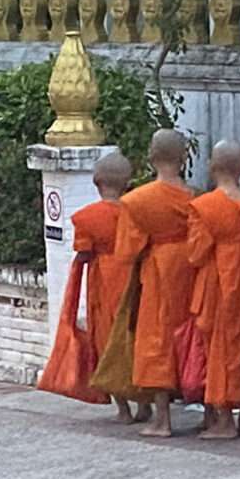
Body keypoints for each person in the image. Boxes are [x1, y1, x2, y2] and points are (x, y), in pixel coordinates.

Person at [114, 129, 198, 438]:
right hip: (190, 267)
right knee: (193, 333)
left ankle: (162, 419)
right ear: (183, 158)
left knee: (157, 337)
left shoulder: (137, 201)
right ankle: (213, 414)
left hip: (158, 269)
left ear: (151, 157)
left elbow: (126, 251)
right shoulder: (195, 197)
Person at [71, 152, 151, 423]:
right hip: (134, 275)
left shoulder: (86, 217)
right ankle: (144, 403)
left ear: (95, 182)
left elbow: (83, 251)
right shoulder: (137, 210)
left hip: (104, 277)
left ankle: (124, 410)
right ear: (128, 182)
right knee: (135, 336)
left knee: (107, 339)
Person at [188, 140, 240, 439]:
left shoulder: (205, 208)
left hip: (217, 281)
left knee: (219, 347)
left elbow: (196, 253)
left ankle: (225, 420)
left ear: (212, 167)